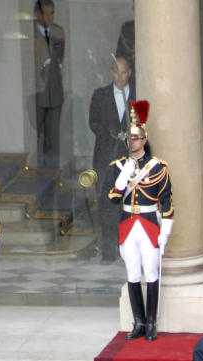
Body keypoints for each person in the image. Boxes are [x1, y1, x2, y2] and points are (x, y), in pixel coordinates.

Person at [108, 100, 174, 341]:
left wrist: (165, 232)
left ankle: (151, 322)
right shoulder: (119, 166)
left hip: (148, 223)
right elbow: (113, 199)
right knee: (133, 273)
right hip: (128, 224)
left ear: (144, 140)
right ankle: (137, 321)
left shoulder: (158, 168)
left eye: (136, 138)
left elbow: (166, 202)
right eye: (129, 138)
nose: (132, 142)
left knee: (151, 273)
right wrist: (122, 180)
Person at [89, 57, 132, 263]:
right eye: (116, 72)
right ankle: (108, 250)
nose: (119, 77)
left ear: (129, 73)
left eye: (123, 73)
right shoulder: (100, 95)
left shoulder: (139, 95)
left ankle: (129, 249)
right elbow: (93, 122)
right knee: (106, 204)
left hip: (129, 158)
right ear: (111, 72)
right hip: (105, 157)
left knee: (130, 203)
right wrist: (109, 133)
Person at [34, 0, 65, 169]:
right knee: (36, 136)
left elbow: (59, 59)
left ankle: (52, 174)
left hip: (54, 92)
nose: (49, 17)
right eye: (46, 13)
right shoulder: (30, 33)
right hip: (37, 92)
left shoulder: (58, 32)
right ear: (38, 14)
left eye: (52, 13)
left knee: (53, 137)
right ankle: (37, 171)